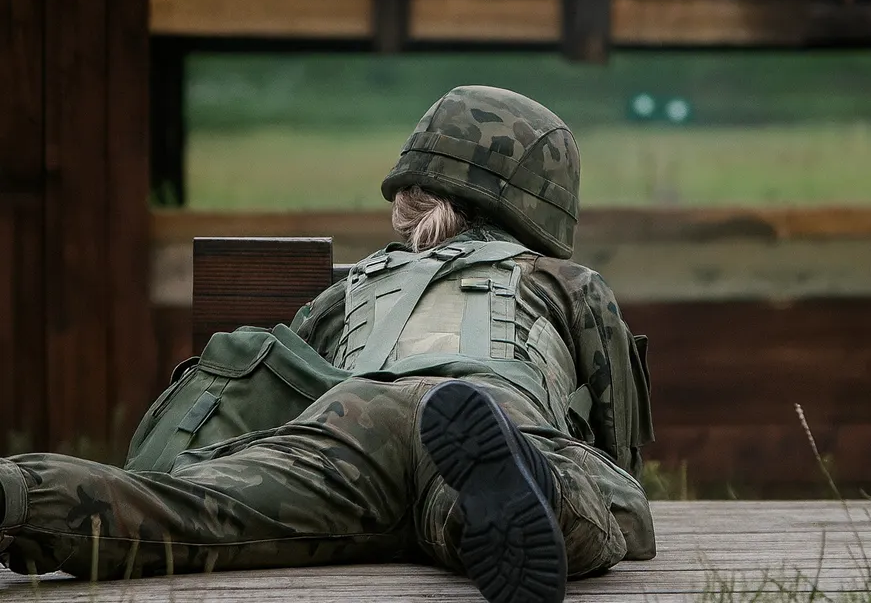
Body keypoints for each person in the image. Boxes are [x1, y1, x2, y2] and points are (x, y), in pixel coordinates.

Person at [0, 86, 656, 603]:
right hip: (490, 403)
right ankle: (504, 496)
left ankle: (18, 494)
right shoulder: (565, 280)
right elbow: (618, 448)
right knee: (577, 499)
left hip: (353, 418)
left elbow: (297, 382)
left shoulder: (352, 288)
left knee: (196, 514)